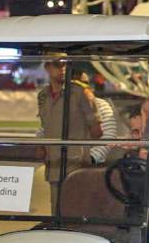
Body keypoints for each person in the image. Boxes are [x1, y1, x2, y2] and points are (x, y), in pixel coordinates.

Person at [37, 59, 101, 213]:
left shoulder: (79, 93)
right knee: (56, 211)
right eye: (58, 65)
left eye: (66, 64)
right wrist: (41, 145)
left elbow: (97, 131)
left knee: (76, 210)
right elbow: (45, 126)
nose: (63, 69)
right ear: (47, 67)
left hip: (76, 163)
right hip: (54, 163)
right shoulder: (43, 95)